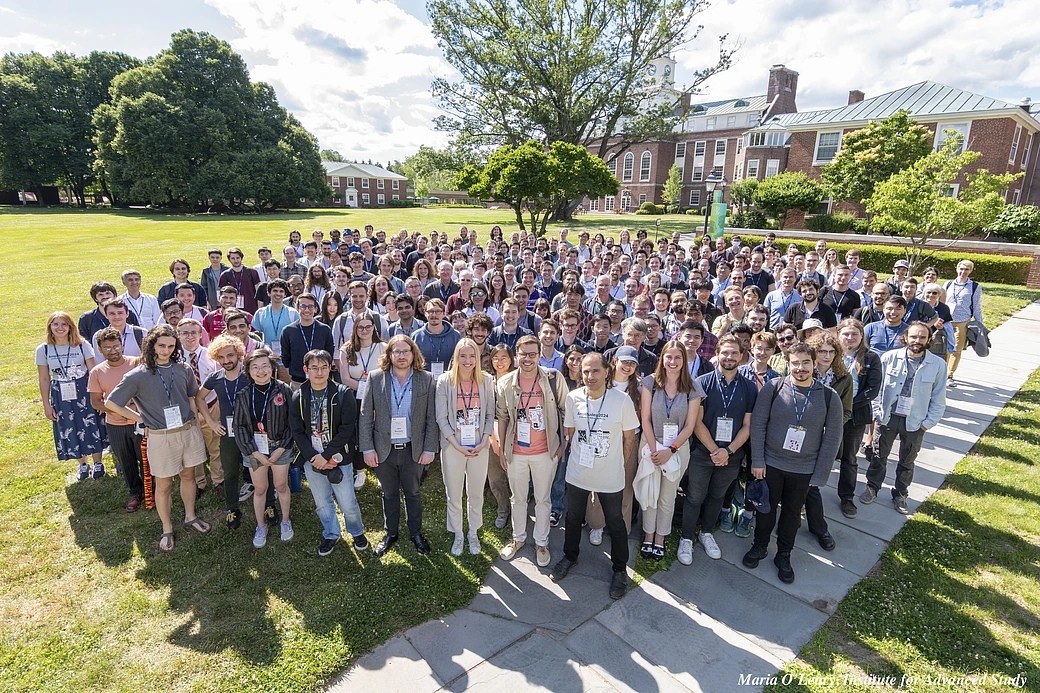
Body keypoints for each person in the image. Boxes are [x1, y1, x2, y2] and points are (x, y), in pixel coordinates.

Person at [743, 341, 843, 584]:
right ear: (787, 364)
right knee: (765, 510)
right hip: (771, 465)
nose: (800, 368)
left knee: (791, 515)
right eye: (795, 363)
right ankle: (760, 545)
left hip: (804, 470)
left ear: (814, 362)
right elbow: (758, 425)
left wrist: (819, 476)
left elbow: (832, 439)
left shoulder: (829, 397)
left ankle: (784, 554)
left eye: (805, 363)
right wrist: (758, 460)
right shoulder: (774, 388)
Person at [106, 325, 211, 552]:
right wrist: (138, 418)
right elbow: (111, 403)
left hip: (187, 430)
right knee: (163, 484)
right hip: (160, 437)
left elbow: (192, 397)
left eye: (171, 346)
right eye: (161, 345)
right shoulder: (137, 375)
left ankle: (190, 516)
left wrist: (196, 422)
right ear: (152, 345)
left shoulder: (183, 368)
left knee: (189, 476)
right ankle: (167, 528)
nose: (166, 350)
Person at [553, 351, 639, 600]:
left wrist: (618, 464)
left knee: (616, 522)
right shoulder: (573, 398)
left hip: (609, 476)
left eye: (595, 371)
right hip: (578, 472)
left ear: (607, 372)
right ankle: (570, 556)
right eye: (586, 371)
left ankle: (620, 569)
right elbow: (569, 433)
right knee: (573, 518)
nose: (590, 376)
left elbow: (629, 437)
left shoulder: (621, 401)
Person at [679, 335, 755, 563]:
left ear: (741, 357)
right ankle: (685, 539)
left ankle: (706, 533)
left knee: (717, 496)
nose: (729, 357)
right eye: (725, 352)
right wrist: (715, 450)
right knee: (694, 496)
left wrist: (728, 451)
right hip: (703, 453)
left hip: (731, 455)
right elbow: (696, 422)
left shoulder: (750, 388)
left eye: (735, 353)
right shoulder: (701, 382)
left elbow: (748, 425)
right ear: (717, 354)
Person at [360, 335, 438, 557]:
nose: (401, 356)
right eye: (397, 351)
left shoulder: (427, 379)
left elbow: (431, 418)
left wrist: (429, 448)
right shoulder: (376, 378)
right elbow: (365, 416)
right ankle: (390, 533)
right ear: (389, 355)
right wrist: (367, 448)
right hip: (383, 449)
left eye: (406, 351)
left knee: (413, 493)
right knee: (389, 493)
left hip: (414, 448)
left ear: (414, 354)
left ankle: (416, 533)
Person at [289, 349, 370, 557]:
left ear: (330, 368)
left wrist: (326, 455)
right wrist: (313, 457)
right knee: (322, 503)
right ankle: (331, 533)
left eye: (324, 367)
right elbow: (297, 431)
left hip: (338, 457)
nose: (319, 372)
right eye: (314, 368)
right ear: (305, 370)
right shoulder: (298, 396)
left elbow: (347, 429)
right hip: (312, 458)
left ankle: (356, 531)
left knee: (348, 502)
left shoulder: (342, 394)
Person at [496, 335, 569, 568]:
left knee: (543, 499)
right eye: (523, 354)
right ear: (516, 356)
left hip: (545, 452)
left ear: (539, 355)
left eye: (532, 354)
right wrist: (501, 451)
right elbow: (503, 417)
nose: (527, 359)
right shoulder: (505, 383)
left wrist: (563, 445)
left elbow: (567, 411)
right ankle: (518, 539)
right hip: (516, 451)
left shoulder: (553, 378)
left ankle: (541, 542)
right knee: (517, 498)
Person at [862, 321, 948, 514]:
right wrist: (877, 412)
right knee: (878, 456)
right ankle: (872, 487)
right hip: (887, 417)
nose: (917, 340)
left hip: (915, 421)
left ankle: (900, 493)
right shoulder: (889, 358)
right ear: (906, 337)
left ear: (928, 340)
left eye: (922, 337)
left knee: (907, 461)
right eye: (914, 336)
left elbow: (939, 397)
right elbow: (877, 388)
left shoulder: (938, 365)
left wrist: (927, 424)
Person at [195, 334, 270, 530]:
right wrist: (211, 422)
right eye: (221, 357)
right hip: (228, 435)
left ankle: (269, 504)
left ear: (238, 354)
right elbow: (199, 398)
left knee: (259, 468)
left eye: (230, 355)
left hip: (252, 435)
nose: (226, 360)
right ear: (216, 359)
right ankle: (232, 508)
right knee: (229, 473)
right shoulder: (215, 378)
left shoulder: (249, 375)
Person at [637, 340, 703, 562]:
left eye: (677, 357)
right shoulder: (649, 383)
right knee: (650, 493)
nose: (673, 362)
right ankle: (648, 534)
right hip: (651, 446)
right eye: (669, 357)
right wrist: (656, 450)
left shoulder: (692, 388)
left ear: (684, 361)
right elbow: (645, 419)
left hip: (677, 449)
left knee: (667, 496)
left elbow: (690, 426)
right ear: (662, 359)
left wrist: (670, 450)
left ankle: (660, 538)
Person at [435, 338, 496, 556]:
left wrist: (484, 440)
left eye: (472, 356)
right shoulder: (444, 381)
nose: (468, 361)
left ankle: (473, 532)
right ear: (456, 357)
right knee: (453, 493)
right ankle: (458, 533)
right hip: (454, 446)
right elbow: (441, 418)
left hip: (479, 445)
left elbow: (490, 415)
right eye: (463, 356)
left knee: (476, 492)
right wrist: (457, 445)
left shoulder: (486, 381)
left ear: (478, 359)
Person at [233, 350, 295, 548]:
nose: (261, 371)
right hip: (254, 450)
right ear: (248, 371)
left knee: (281, 485)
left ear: (272, 368)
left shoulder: (284, 390)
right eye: (255, 367)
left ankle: (285, 520)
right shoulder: (243, 395)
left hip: (280, 447)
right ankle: (260, 525)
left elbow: (292, 423)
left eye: (265, 366)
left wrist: (281, 448)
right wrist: (254, 452)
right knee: (260, 488)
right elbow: (239, 426)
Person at [801, 331, 853, 551]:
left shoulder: (843, 378)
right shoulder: (802, 372)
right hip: (798, 435)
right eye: (822, 351)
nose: (827, 356)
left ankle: (819, 528)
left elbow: (846, 412)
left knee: (812, 483)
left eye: (832, 352)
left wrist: (827, 427)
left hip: (823, 439)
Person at [38, 312, 104, 480]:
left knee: (91, 423)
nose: (60, 328)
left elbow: (93, 371)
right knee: (70, 425)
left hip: (83, 387)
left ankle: (98, 462)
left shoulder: (82, 345)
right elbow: (44, 378)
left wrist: (98, 394)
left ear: (70, 327)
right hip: (60, 391)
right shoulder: (44, 349)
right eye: (56, 324)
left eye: (64, 324)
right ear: (50, 327)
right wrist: (46, 404)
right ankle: (82, 463)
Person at [88, 326, 144, 510]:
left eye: (116, 346)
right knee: (126, 460)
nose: (113, 351)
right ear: (100, 349)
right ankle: (135, 493)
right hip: (115, 424)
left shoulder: (136, 363)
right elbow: (96, 402)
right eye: (108, 348)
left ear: (122, 345)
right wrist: (117, 410)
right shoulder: (97, 372)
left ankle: (152, 489)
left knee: (145, 457)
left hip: (139, 421)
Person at [835, 319, 883, 518]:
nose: (850, 337)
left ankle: (846, 497)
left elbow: (872, 390)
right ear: (838, 334)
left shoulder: (871, 358)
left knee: (850, 458)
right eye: (846, 333)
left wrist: (846, 407)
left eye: (854, 334)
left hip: (855, 416)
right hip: (828, 415)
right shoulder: (831, 355)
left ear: (861, 336)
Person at [177, 318, 225, 499]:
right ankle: (198, 482)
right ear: (178, 335)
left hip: (211, 407)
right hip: (187, 412)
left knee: (216, 447)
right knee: (191, 449)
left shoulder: (210, 355)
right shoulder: (174, 358)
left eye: (194, 332)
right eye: (185, 333)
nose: (190, 337)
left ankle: (218, 480)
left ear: (200, 334)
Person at [487, 344, 516, 529]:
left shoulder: (518, 381)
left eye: (504, 358)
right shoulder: (486, 382)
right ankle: (503, 510)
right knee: (495, 477)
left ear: (511, 360)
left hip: (514, 433)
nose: (499, 362)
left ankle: (518, 510)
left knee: (514, 476)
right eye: (496, 358)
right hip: (491, 433)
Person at [280, 293, 335, 390]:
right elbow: (285, 358)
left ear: (316, 309)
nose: (306, 310)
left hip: (321, 380)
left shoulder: (325, 329)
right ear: (297, 308)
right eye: (303, 306)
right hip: (298, 382)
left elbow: (329, 354)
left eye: (310, 306)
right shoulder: (288, 331)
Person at [943, 260, 983, 387]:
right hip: (947, 320)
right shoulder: (948, 284)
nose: (963, 272)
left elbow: (976, 305)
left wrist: (979, 322)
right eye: (961, 269)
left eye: (966, 269)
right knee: (944, 348)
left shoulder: (974, 286)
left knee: (956, 349)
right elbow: (942, 301)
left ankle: (950, 375)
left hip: (962, 321)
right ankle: (942, 372)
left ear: (970, 271)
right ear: (957, 269)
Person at [411, 298, 462, 378]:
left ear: (444, 314)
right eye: (430, 311)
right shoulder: (416, 337)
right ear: (425, 313)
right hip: (424, 382)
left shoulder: (456, 336)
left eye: (438, 311)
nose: (434, 315)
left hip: (449, 382)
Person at [254, 279, 302, 355]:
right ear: (269, 293)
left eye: (281, 291)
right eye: (275, 291)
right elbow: (256, 336)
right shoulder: (260, 313)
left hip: (288, 356)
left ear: (285, 294)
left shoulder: (293, 313)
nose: (278, 294)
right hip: (268, 356)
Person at [218, 247, 261, 314]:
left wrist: (259, 309)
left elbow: (258, 294)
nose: (236, 261)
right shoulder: (225, 275)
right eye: (233, 258)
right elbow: (222, 296)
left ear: (241, 258)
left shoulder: (252, 272)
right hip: (232, 311)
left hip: (251, 309)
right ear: (229, 259)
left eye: (238, 258)